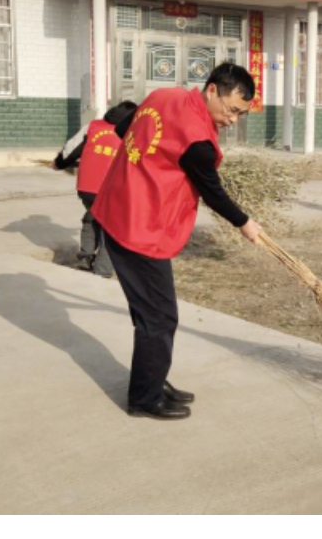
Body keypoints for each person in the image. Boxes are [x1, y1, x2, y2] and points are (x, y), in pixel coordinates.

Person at [92, 64, 262, 421]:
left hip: (118, 210)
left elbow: (123, 127)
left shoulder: (163, 95)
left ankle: (152, 380)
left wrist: (145, 167)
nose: (233, 120)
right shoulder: (197, 139)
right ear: (212, 89)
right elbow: (212, 193)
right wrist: (245, 223)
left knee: (148, 313)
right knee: (160, 316)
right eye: (231, 110)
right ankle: (143, 399)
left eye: (241, 115)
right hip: (139, 229)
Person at [52, 101, 137, 278]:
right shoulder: (131, 133)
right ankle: (102, 269)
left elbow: (71, 149)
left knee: (92, 218)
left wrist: (59, 163)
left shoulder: (93, 126)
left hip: (87, 188)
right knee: (111, 229)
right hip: (113, 191)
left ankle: (85, 257)